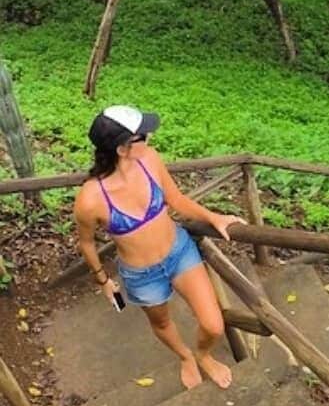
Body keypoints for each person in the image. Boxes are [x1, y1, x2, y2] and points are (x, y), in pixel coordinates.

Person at [73, 106, 245, 390]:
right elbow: (87, 243)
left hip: (179, 253)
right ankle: (185, 356)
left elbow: (176, 200)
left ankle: (203, 354)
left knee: (214, 324)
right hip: (141, 275)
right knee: (162, 323)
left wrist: (215, 218)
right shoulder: (90, 200)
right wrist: (103, 280)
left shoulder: (149, 159)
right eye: (143, 135)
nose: (150, 137)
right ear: (122, 148)